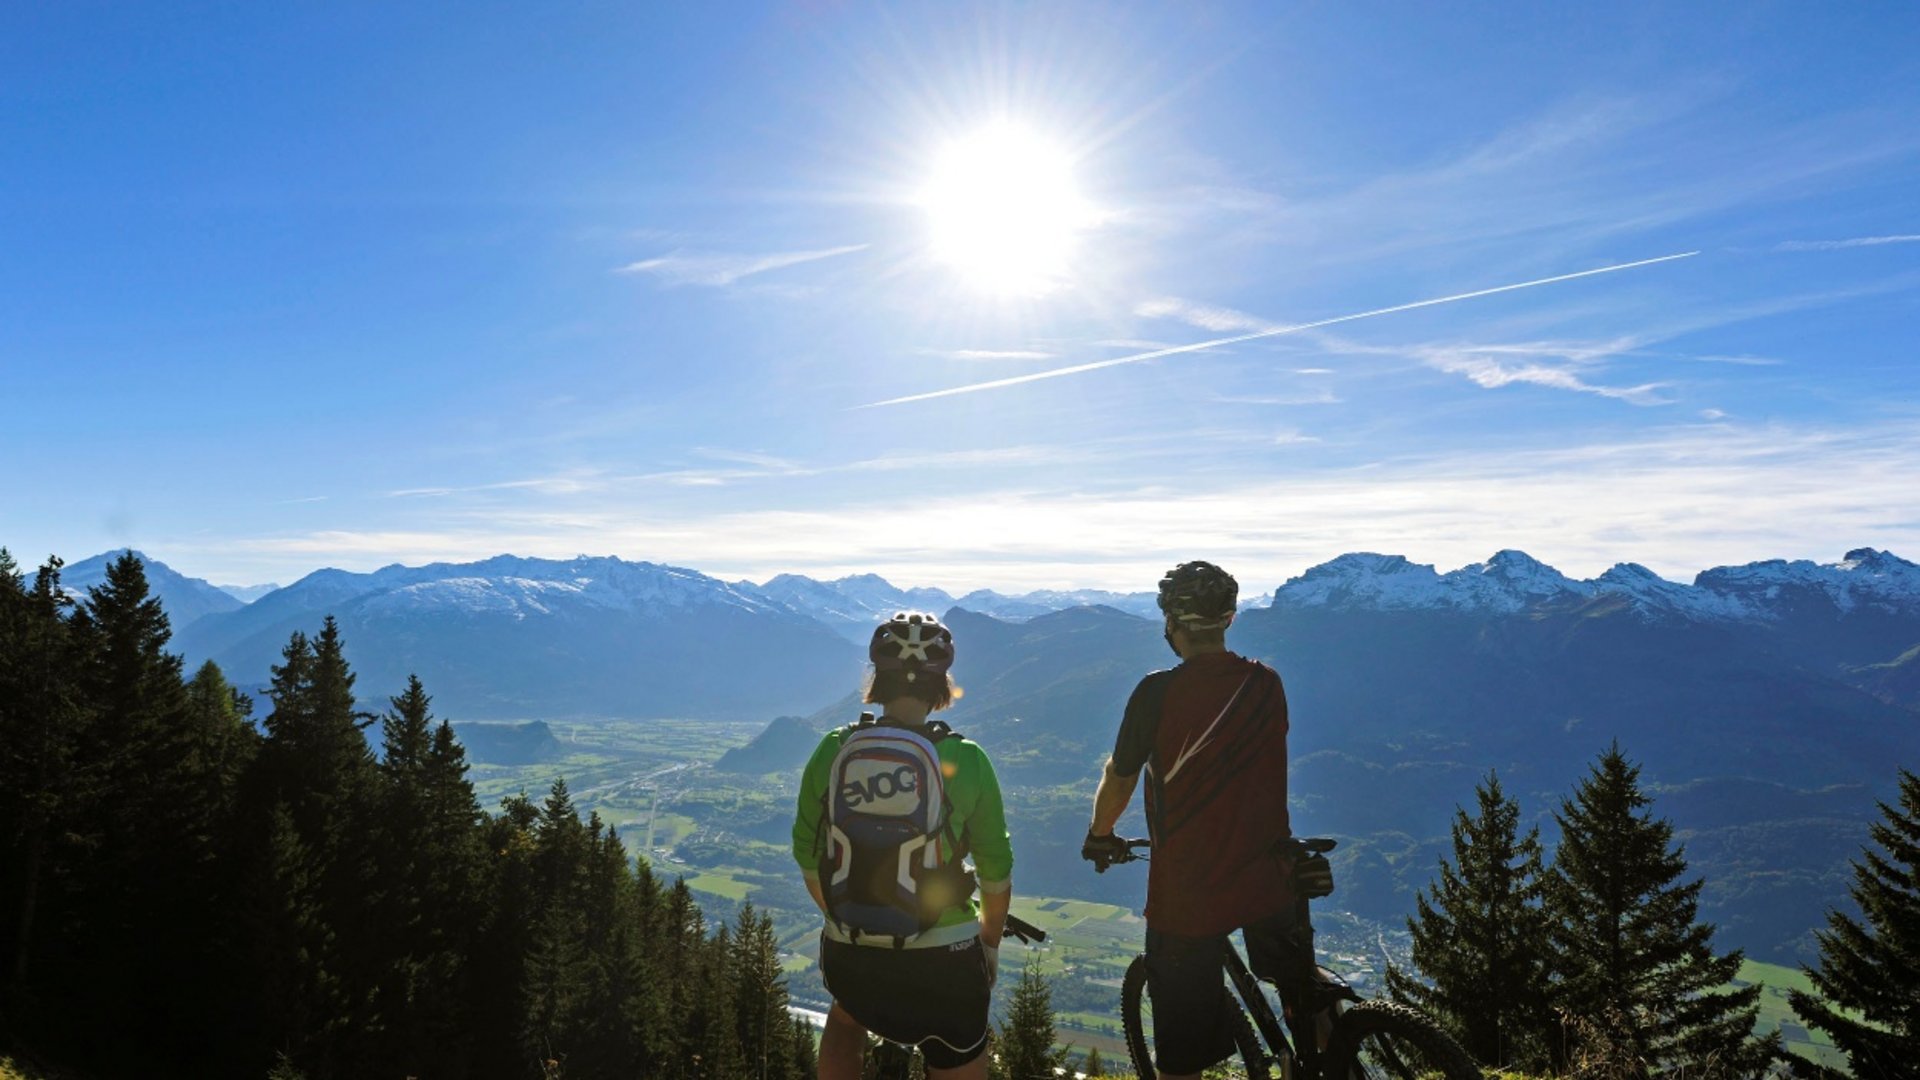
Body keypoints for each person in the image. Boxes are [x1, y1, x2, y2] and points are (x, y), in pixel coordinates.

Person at [1082, 560, 1328, 1080]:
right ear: (1230, 619)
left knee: (1181, 1054)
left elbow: (1121, 776)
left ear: (1171, 625)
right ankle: (1334, 1047)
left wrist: (1100, 835)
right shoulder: (1266, 682)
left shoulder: (1157, 692)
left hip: (1189, 887)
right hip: (1271, 869)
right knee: (1299, 982)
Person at [793, 611, 1013, 1080]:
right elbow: (996, 871)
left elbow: (806, 854)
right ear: (942, 685)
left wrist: (847, 917)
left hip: (851, 951)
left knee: (846, 1015)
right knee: (957, 1052)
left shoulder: (835, 748)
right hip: (943, 961)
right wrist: (988, 945)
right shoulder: (966, 758)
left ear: (877, 680)